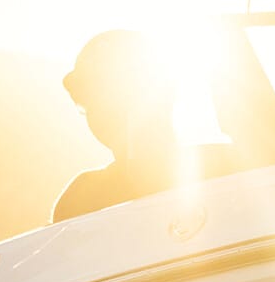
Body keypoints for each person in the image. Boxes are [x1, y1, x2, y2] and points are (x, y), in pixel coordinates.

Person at [52, 30, 183, 222]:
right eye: (88, 100)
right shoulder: (81, 197)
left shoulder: (219, 167)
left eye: (114, 93)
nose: (99, 110)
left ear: (162, 97)